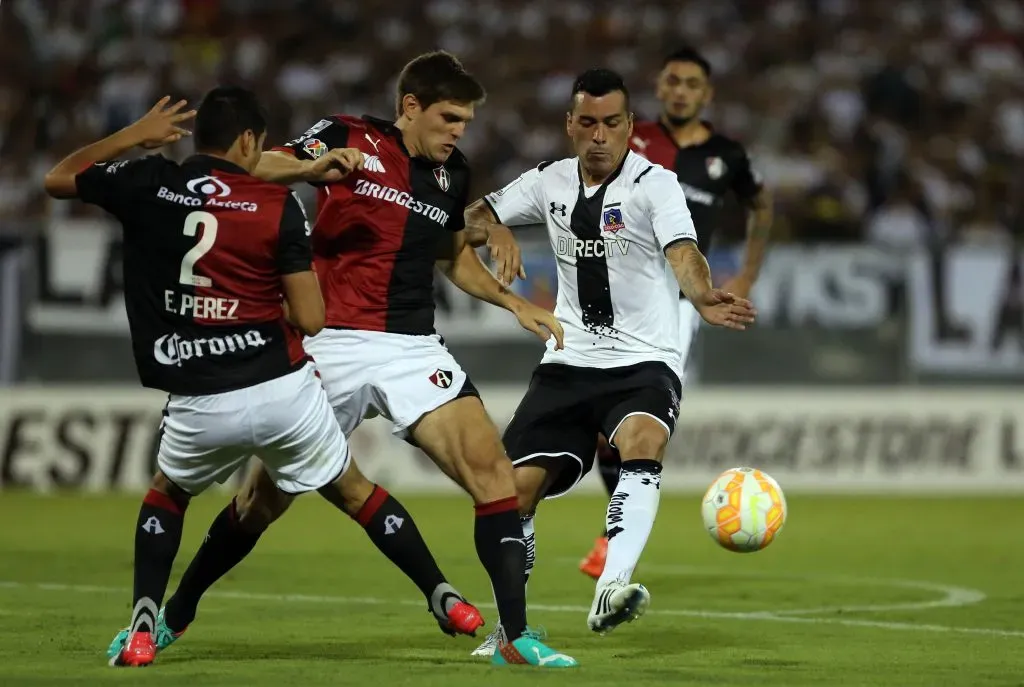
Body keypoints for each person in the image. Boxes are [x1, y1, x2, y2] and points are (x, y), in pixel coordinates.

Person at [142, 52, 578, 668]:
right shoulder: (347, 135)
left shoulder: (452, 173)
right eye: (449, 117)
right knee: (259, 504)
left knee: (494, 476)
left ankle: (514, 636)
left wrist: (512, 302)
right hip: (330, 342)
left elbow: (451, 257)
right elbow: (248, 167)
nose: (458, 131)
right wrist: (309, 166)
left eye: (466, 121)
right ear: (410, 106)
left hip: (410, 345)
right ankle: (176, 614)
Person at [43, 87, 482, 667]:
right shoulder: (277, 207)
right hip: (282, 389)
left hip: (200, 393)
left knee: (167, 495)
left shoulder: (150, 182)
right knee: (356, 492)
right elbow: (311, 318)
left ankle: (145, 624)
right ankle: (443, 595)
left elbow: (59, 178)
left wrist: (133, 136)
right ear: (250, 140)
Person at [461, 68, 757, 655]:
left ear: (629, 126)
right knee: (510, 493)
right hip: (569, 359)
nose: (600, 135)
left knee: (644, 439)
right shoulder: (547, 182)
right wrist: (495, 227)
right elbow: (468, 217)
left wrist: (701, 296)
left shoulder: (656, 184)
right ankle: (509, 633)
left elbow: (684, 252)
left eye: (613, 123)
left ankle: (612, 583)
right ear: (570, 125)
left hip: (644, 357)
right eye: (588, 122)